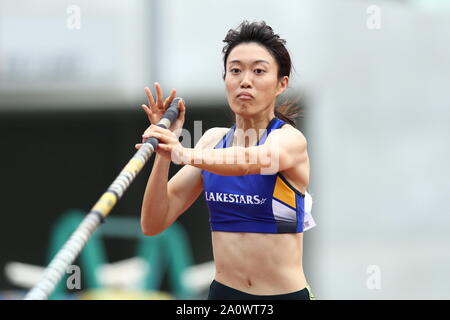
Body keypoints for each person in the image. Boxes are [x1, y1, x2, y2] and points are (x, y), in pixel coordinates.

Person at [135, 21, 316, 300]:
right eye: (235, 70)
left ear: (281, 84)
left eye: (258, 71)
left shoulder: (289, 141)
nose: (245, 80)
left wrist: (184, 153)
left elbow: (249, 160)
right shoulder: (211, 142)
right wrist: (164, 148)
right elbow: (153, 223)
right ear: (225, 80)